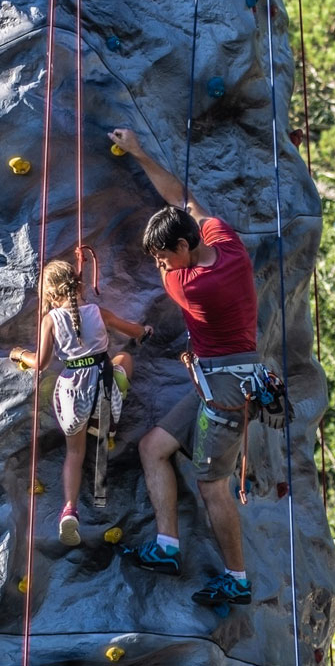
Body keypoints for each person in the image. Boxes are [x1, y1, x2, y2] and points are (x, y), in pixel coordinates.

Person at [108, 127, 258, 608]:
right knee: (154, 447)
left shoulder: (190, 286)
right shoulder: (224, 242)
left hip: (226, 390)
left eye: (162, 256)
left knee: (213, 483)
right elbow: (184, 198)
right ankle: (167, 547)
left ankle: (238, 578)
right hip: (214, 379)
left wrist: (167, 272)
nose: (159, 264)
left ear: (181, 251)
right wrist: (139, 152)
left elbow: (178, 235)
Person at [10, 259, 152, 547]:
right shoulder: (97, 312)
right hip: (102, 385)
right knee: (123, 360)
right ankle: (106, 424)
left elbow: (41, 363)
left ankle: (69, 509)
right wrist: (144, 331)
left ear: (49, 295)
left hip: (72, 394)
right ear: (80, 285)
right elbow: (133, 330)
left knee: (74, 454)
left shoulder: (50, 321)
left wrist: (19, 354)